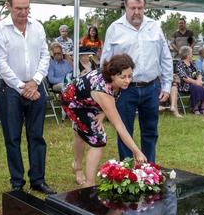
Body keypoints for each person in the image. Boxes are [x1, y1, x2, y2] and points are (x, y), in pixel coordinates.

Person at [0, 0, 56, 195]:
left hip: (36, 87)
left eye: (27, 8)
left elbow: (45, 56)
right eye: (19, 8)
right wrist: (21, 86)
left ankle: (38, 179)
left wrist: (35, 81)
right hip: (11, 90)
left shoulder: (37, 27)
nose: (23, 12)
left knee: (37, 136)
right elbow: (0, 63)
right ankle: (17, 181)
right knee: (13, 137)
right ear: (8, 6)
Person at [101, 0, 172, 163]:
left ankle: (150, 169)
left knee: (150, 131)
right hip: (125, 90)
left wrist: (167, 85)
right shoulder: (115, 28)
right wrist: (108, 90)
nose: (137, 12)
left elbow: (165, 56)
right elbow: (106, 61)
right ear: (125, 6)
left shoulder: (154, 26)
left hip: (151, 87)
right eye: (133, 8)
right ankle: (126, 172)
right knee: (124, 130)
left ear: (144, 7)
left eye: (140, 8)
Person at [61, 54, 146, 187]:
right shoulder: (103, 91)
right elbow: (119, 126)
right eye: (123, 77)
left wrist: (102, 113)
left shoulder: (114, 82)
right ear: (112, 75)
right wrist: (136, 151)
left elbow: (112, 97)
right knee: (98, 139)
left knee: (81, 134)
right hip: (73, 102)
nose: (128, 81)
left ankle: (76, 166)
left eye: (130, 76)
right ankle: (89, 184)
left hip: (89, 99)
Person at [176, 46, 204, 115]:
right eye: (191, 53)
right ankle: (195, 107)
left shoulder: (192, 63)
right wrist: (196, 82)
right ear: (187, 54)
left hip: (195, 82)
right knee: (196, 87)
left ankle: (203, 105)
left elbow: (198, 72)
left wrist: (199, 79)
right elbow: (184, 77)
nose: (192, 54)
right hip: (185, 84)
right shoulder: (180, 64)